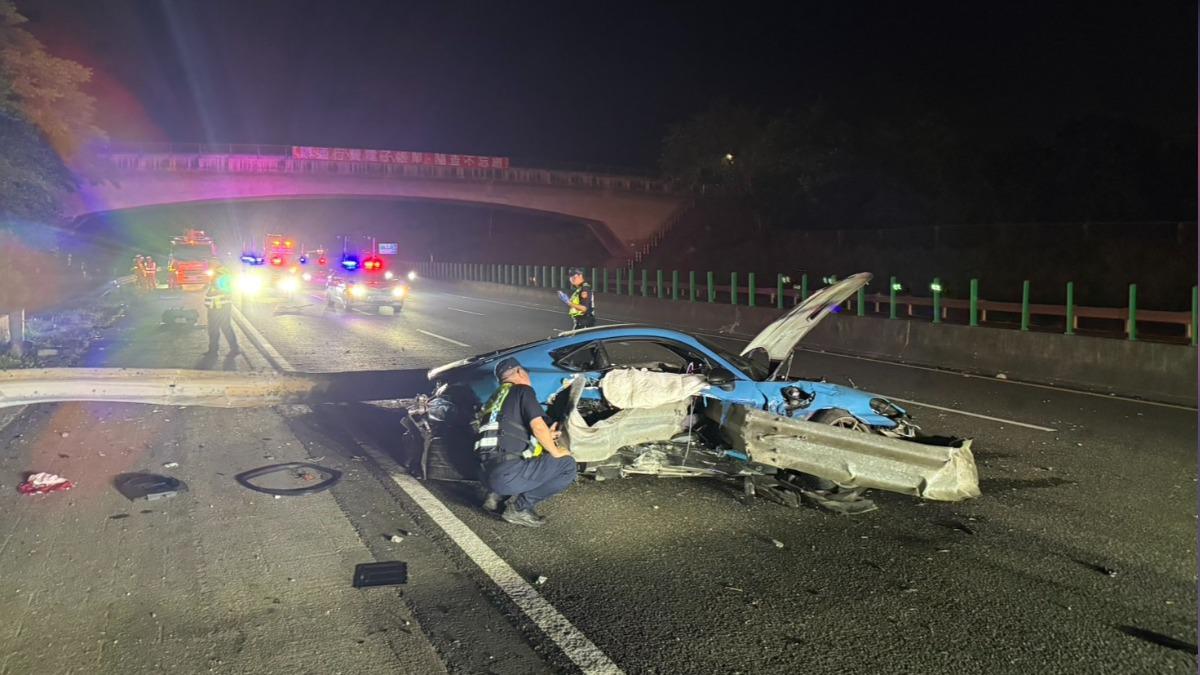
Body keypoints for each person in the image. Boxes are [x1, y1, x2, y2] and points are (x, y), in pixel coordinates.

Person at [476, 357, 575, 527]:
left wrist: (546, 436)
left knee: (518, 456)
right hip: (506, 476)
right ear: (519, 372)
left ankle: (494, 498)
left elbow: (509, 432)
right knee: (567, 465)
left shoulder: (496, 397)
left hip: (485, 474)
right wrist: (557, 451)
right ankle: (519, 508)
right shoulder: (523, 390)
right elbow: (538, 427)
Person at [203, 263, 239, 356]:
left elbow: (222, 291)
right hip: (215, 307)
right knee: (216, 329)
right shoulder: (219, 276)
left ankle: (231, 349)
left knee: (221, 328)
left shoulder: (221, 277)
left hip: (219, 307)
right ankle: (215, 350)